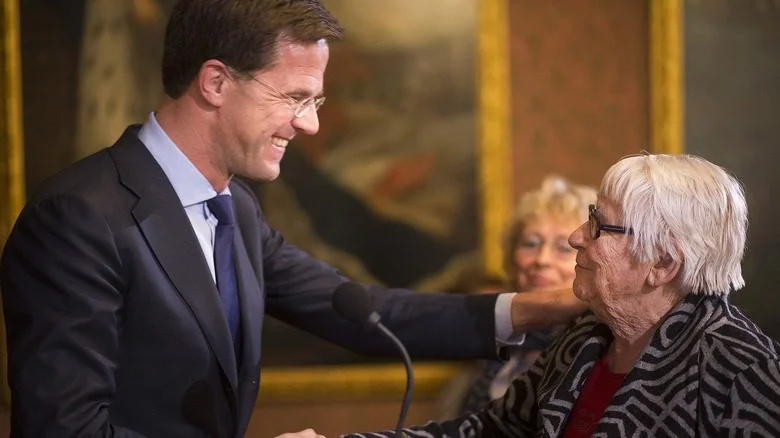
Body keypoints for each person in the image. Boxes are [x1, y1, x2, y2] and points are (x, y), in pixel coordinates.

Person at [0, 1, 585, 437]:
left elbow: (360, 310)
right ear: (215, 82)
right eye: (295, 97)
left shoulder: (237, 210)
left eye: (317, 102)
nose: (309, 125)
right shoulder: (78, 216)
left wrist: (538, 307)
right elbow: (66, 430)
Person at [342, 153, 780, 437]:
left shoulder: (743, 370)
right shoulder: (585, 338)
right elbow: (487, 431)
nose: (575, 238)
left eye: (599, 226)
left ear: (662, 264)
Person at [448, 176, 596, 417]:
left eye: (564, 248)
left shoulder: (598, 347)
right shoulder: (500, 340)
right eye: (531, 243)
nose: (542, 259)